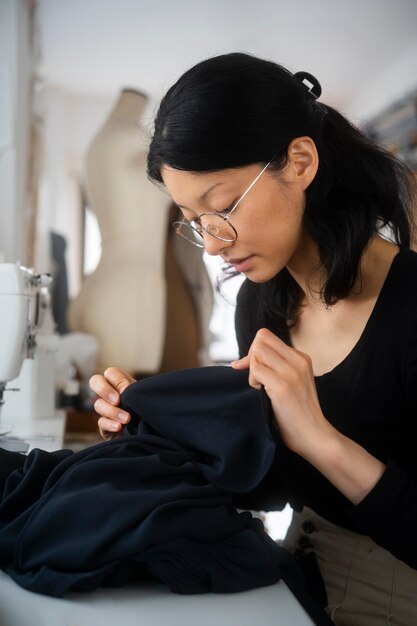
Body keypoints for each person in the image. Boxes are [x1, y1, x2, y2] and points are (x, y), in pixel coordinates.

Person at [89, 52, 417, 625]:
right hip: (297, 567)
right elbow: (275, 488)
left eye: (222, 208)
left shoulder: (411, 306)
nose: (213, 244)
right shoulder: (261, 302)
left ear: (300, 161)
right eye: (194, 221)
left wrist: (320, 438)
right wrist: (157, 429)